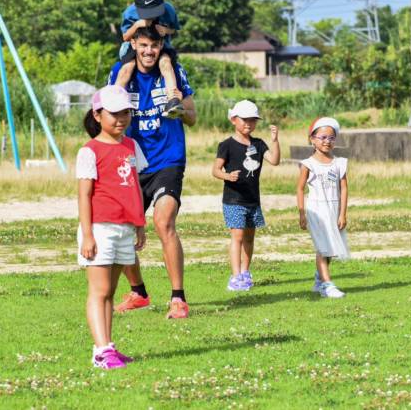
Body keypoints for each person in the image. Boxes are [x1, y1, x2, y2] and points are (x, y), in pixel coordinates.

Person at [109, 24, 197, 319]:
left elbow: (194, 117)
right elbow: (106, 119)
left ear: (162, 46)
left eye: (154, 46)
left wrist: (178, 107)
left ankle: (178, 299)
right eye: (143, 45)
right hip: (132, 163)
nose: (149, 51)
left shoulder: (173, 72)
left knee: (163, 221)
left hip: (168, 161)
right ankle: (139, 292)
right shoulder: (120, 73)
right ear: (133, 43)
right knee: (120, 232)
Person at [76, 85, 148, 368]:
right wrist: (88, 234)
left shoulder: (131, 146)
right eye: (114, 113)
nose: (121, 119)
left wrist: (139, 223)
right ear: (97, 115)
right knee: (99, 291)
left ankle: (107, 347)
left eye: (126, 113)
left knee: (110, 293)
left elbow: (135, 187)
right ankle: (100, 351)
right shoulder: (89, 151)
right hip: (99, 228)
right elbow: (84, 194)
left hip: (124, 228)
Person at [212, 100, 280, 291]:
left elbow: (274, 160)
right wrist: (227, 176)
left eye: (253, 120)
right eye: (244, 119)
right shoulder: (226, 145)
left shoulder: (259, 144)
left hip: (253, 200)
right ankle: (235, 277)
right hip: (233, 199)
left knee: (249, 238)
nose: (248, 123)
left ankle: (245, 272)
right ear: (234, 119)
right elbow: (215, 170)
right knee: (238, 237)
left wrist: (275, 140)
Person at [296, 117, 350, 298]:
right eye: (323, 137)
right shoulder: (308, 164)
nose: (327, 141)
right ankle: (327, 285)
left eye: (331, 138)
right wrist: (302, 213)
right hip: (316, 211)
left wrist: (342, 213)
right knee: (322, 247)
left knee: (331, 249)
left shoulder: (339, 164)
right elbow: (300, 188)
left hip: (333, 210)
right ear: (312, 139)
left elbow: (343, 188)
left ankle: (319, 281)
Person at [115, 0, 183, 118]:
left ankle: (172, 101)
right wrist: (136, 25)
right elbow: (125, 37)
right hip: (134, 47)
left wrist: (166, 30)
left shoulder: (168, 10)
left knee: (165, 63)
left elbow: (174, 30)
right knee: (127, 68)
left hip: (160, 46)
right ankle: (114, 99)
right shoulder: (130, 13)